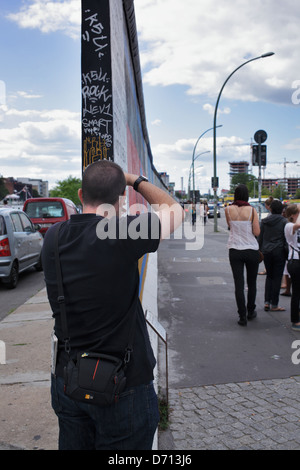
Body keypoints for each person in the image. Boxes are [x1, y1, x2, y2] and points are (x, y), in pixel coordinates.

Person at [42, 160, 184, 450]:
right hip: (124, 386)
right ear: (121, 200)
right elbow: (175, 210)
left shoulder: (53, 238)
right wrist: (135, 180)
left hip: (68, 379)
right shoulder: (124, 234)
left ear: (81, 195)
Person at [225, 184, 260, 326]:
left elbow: (229, 226)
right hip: (251, 249)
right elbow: (257, 232)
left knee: (238, 284)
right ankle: (251, 311)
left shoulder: (227, 209)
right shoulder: (252, 210)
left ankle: (242, 316)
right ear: (246, 195)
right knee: (252, 283)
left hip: (234, 249)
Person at [258, 200, 287, 312]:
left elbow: (260, 237)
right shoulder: (284, 222)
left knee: (269, 276)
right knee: (277, 278)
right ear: (281, 210)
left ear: (270, 209)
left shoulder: (264, 221)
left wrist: (259, 250)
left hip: (266, 251)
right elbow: (285, 239)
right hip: (279, 251)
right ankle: (274, 304)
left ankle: (266, 302)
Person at [284, 204, 300, 332]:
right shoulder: (289, 226)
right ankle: (295, 320)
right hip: (295, 261)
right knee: (297, 292)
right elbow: (297, 226)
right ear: (293, 215)